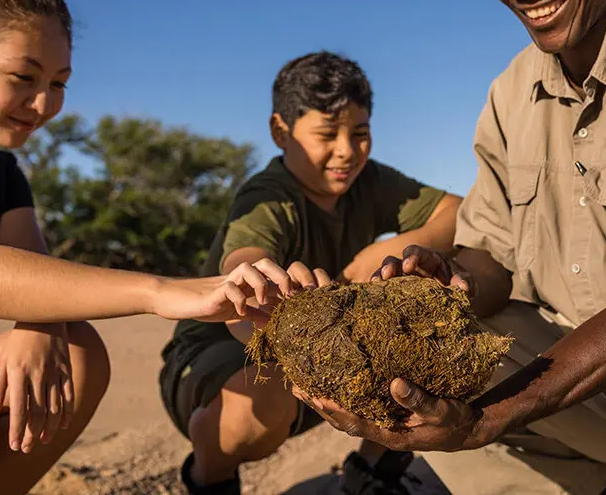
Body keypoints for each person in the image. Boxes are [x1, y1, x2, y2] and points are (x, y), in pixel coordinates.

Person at [294, 0, 606, 494]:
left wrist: (487, 419)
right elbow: (490, 257)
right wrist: (449, 280)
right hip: (595, 388)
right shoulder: (510, 93)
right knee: (423, 355)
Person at [0, 0, 307, 495]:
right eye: (23, 78)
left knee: (75, 353)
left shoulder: (1, 175)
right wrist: (161, 291)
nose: (44, 104)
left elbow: (30, 271)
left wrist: (39, 320)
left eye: (58, 84)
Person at [159, 51, 462, 494]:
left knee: (439, 309)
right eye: (326, 134)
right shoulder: (268, 196)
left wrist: (387, 251)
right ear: (280, 132)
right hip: (222, 357)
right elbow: (241, 269)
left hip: (327, 348)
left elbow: (458, 212)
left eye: (360, 134)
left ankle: (373, 469)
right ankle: (210, 475)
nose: (347, 151)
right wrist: (262, 290)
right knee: (260, 405)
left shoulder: (371, 181)